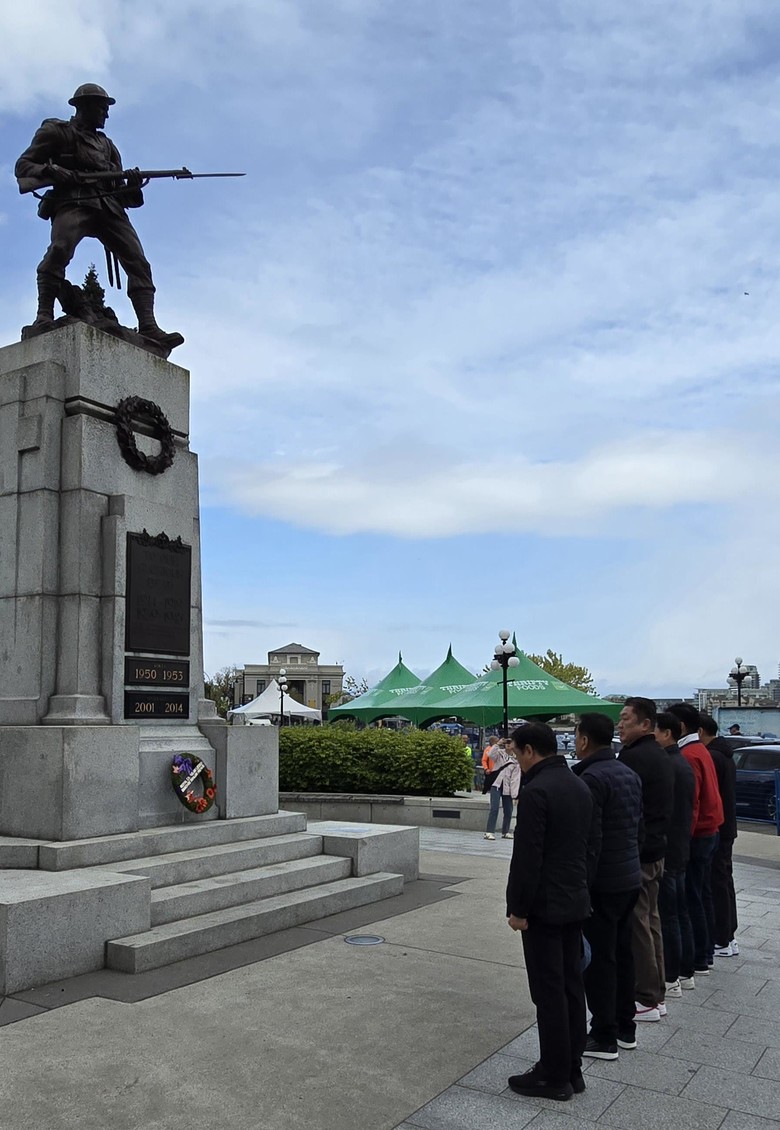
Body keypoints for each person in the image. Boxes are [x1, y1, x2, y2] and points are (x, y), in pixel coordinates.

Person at [15, 83, 182, 350]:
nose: (106, 114)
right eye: (102, 108)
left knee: (138, 262)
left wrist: (133, 184)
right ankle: (44, 314)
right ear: (85, 106)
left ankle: (149, 326)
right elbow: (23, 166)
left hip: (108, 207)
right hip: (74, 201)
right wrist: (52, 170)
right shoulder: (57, 132)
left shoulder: (108, 146)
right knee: (59, 249)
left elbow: (123, 194)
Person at [505, 722, 594, 1101]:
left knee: (548, 991)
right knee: (571, 985)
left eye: (516, 753)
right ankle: (572, 1068)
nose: (517, 761)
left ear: (529, 750)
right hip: (575, 900)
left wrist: (517, 909)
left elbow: (527, 858)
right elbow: (592, 845)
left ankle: (553, 1074)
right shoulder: (578, 784)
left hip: (544, 906)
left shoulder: (537, 790)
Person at [572, 712, 642, 1060]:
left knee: (599, 959)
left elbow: (591, 840)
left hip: (603, 881)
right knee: (622, 953)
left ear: (584, 740)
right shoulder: (628, 773)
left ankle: (603, 1034)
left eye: (576, 736)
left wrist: (580, 886)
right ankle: (625, 1026)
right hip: (629, 875)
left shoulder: (590, 778)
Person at [617, 697, 674, 1022]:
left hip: (638, 853)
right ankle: (657, 993)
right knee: (651, 921)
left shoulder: (634, 758)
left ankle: (646, 997)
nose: (620, 725)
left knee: (639, 923)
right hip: (657, 850)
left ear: (646, 724)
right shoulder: (661, 754)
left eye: (626, 719)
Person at [667, 703, 724, 977]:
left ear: (679, 726)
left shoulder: (688, 755)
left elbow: (693, 803)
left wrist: (682, 840)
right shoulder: (700, 749)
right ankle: (706, 952)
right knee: (701, 894)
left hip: (698, 834)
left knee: (691, 899)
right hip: (711, 830)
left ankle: (699, 956)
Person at [654, 712, 696, 995]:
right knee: (680, 912)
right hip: (681, 845)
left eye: (655, 731)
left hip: (669, 848)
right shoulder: (681, 762)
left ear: (667, 733)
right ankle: (685, 971)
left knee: (668, 915)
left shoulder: (669, 765)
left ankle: (671, 976)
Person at [698, 714, 739, 956]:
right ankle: (729, 935)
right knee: (724, 880)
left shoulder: (712, 757)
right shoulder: (725, 754)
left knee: (717, 882)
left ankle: (722, 938)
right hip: (727, 825)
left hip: (718, 827)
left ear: (700, 731)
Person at [483, 738, 520, 840]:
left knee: (508, 810)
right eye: (506, 742)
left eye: (510, 742)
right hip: (496, 784)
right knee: (494, 808)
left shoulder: (516, 760)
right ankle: (489, 831)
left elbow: (515, 778)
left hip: (507, 786)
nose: (508, 744)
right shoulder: (499, 753)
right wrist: (497, 744)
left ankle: (505, 831)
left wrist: (515, 794)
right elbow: (490, 755)